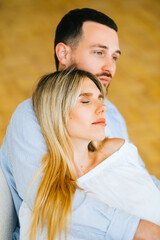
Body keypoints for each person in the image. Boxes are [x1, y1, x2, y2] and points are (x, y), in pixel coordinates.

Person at [0, 8, 160, 240]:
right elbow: (49, 201)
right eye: (99, 52)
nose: (110, 67)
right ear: (63, 54)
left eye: (114, 57)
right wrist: (139, 229)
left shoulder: (111, 114)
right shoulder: (31, 115)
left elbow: (137, 176)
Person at [19, 68, 160, 240]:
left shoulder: (119, 150)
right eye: (86, 101)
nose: (102, 107)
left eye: (100, 99)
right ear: (58, 113)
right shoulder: (52, 198)